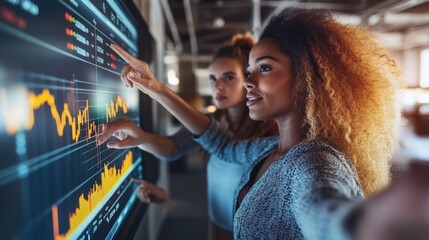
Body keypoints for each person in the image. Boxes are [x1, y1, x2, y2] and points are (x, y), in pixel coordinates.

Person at [106, 8, 404, 239]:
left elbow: (325, 210)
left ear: (307, 78)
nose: (248, 82)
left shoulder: (314, 162)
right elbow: (220, 143)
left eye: (264, 68)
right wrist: (155, 89)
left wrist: (374, 226)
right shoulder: (271, 149)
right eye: (249, 71)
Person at [99, 33, 277, 240]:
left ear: (247, 79)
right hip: (217, 223)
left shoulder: (269, 135)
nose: (217, 86)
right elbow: (173, 148)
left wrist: (156, 89)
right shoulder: (212, 121)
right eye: (213, 78)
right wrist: (142, 138)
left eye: (229, 77)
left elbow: (221, 144)